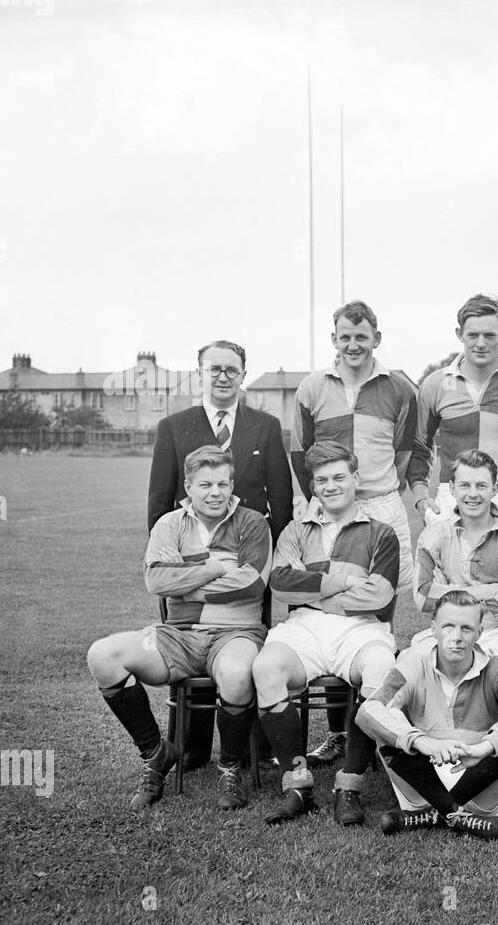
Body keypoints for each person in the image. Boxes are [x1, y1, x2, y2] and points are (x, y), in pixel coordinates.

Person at [89, 445, 271, 810]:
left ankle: (230, 767)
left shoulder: (253, 522)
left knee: (236, 673)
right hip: (179, 633)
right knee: (102, 656)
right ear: (188, 486)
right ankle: (156, 753)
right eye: (205, 484)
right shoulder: (169, 524)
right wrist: (217, 567)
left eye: (223, 483)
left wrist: (185, 577)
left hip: (236, 634)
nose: (215, 492)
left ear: (232, 483)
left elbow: (251, 584)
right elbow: (156, 580)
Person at [147, 338, 293, 770]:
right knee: (188, 647)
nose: (223, 377)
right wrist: (171, 565)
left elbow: (281, 500)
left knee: (244, 652)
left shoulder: (264, 425)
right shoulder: (174, 426)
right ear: (201, 373)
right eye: (215, 369)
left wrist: (274, 559)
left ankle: (252, 748)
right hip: (187, 564)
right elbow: (159, 504)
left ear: (243, 375)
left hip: (248, 560)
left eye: (232, 370)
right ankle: (191, 750)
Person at [292, 300, 421, 768]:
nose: (353, 344)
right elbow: (300, 453)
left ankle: (371, 727)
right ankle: (335, 734)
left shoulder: (399, 389)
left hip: (380, 500)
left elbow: (406, 450)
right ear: (334, 340)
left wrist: (374, 490)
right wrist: (327, 495)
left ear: (376, 339)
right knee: (327, 608)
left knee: (375, 615)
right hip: (327, 501)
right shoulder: (311, 388)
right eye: (344, 336)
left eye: (361, 336)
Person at [254, 441, 400, 825]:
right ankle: (297, 783)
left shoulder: (382, 533)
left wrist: (315, 588)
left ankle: (348, 786)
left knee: (381, 665)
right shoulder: (295, 529)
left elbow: (379, 595)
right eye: (322, 480)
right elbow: (282, 584)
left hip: (360, 628)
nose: (331, 486)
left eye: (339, 477)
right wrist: (345, 582)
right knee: (266, 668)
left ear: (355, 478)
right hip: (304, 627)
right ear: (313, 486)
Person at [356, 591, 498, 842]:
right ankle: (461, 817)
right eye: (448, 627)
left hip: (480, 783)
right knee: (387, 717)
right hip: (421, 780)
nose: (456, 638)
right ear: (433, 628)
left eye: (466, 629)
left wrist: (482, 748)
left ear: (480, 632)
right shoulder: (412, 664)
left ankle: (436, 814)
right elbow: (368, 710)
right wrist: (424, 742)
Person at [412, 449, 498, 772]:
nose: (473, 494)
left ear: (495, 489)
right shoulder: (434, 535)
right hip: (447, 632)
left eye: (482, 486)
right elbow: (421, 598)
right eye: (465, 486)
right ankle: (442, 753)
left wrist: (451, 595)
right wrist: (489, 592)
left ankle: (497, 750)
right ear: (452, 488)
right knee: (406, 687)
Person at [408, 293, 498, 557]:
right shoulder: (436, 384)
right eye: (472, 335)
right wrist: (420, 498)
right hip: (452, 496)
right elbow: (419, 446)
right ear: (459, 334)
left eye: (489, 335)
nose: (481, 344)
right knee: (449, 596)